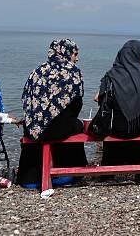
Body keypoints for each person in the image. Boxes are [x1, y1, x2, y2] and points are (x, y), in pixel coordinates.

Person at [17, 39, 88, 188]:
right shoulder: (72, 72)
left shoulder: (37, 71)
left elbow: (26, 99)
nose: (77, 58)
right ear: (65, 53)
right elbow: (77, 104)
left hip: (34, 129)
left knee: (34, 126)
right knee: (77, 126)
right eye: (75, 54)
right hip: (58, 130)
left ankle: (29, 178)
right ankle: (71, 173)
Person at [93, 40, 140, 169]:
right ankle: (139, 165)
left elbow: (104, 103)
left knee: (113, 124)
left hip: (116, 128)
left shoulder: (111, 75)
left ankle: (109, 169)